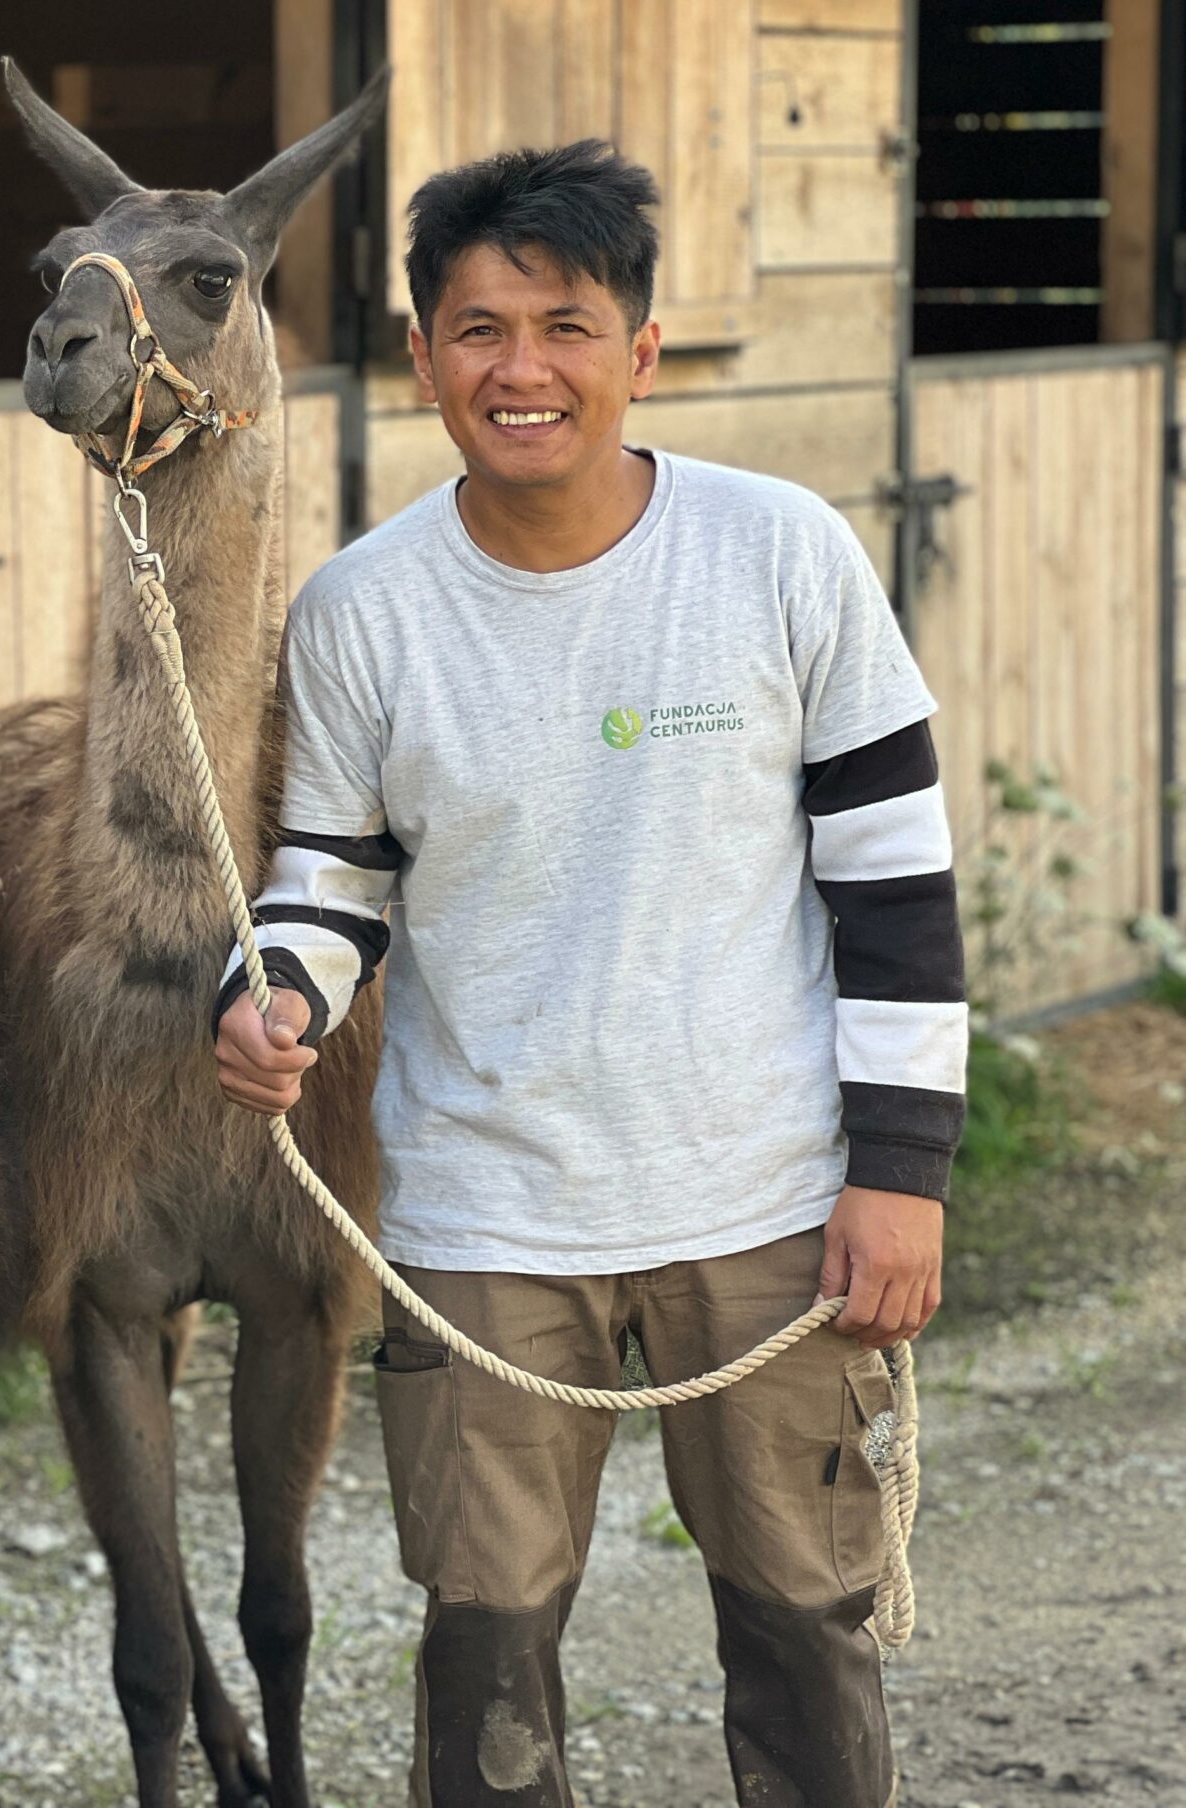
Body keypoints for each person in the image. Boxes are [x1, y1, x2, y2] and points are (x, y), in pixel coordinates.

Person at [215, 142, 963, 1807]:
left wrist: (899, 1175)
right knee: (485, 1651)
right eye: (480, 329)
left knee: (803, 1635)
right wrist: (275, 993)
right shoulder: (364, 611)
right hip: (483, 1219)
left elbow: (897, 885)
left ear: (640, 345)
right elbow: (332, 882)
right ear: (423, 360)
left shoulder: (780, 556)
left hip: (761, 1196)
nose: (523, 369)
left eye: (566, 323)